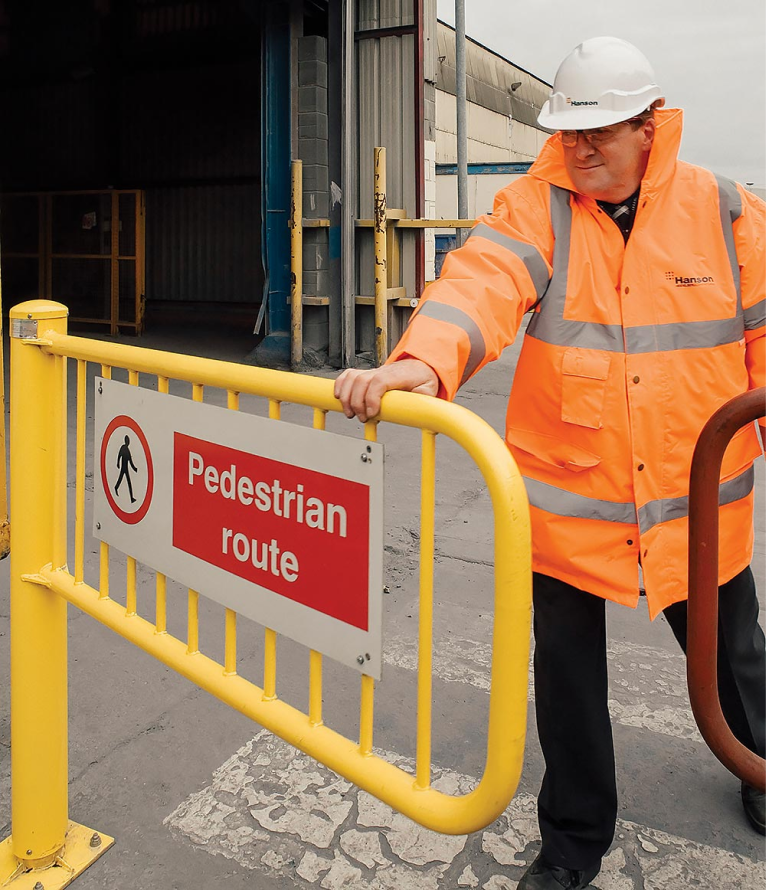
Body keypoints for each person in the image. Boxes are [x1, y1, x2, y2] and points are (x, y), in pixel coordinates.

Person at [334, 36, 766, 890]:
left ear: (650, 125)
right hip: (570, 504)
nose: (581, 149)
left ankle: (760, 772)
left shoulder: (725, 210)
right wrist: (426, 362)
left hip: (698, 501)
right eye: (570, 133)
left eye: (600, 132)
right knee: (566, 682)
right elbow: (480, 282)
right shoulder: (539, 205)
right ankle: (573, 842)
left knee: (735, 657)